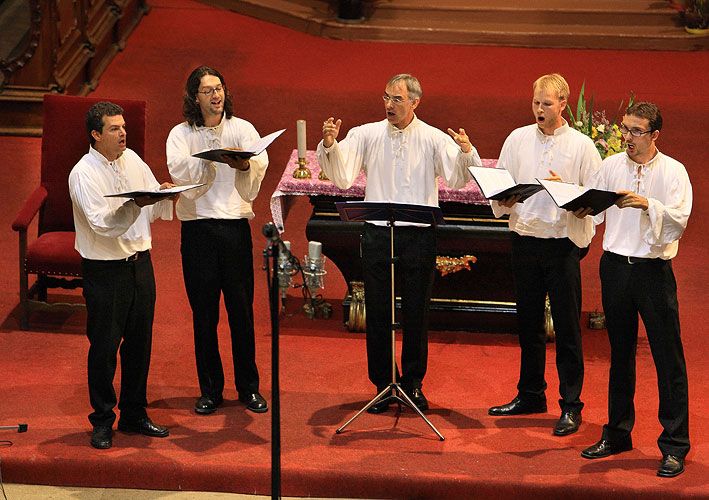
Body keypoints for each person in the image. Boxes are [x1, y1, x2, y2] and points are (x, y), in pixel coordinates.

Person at [317, 73, 481, 413]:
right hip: (378, 232)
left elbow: (456, 176)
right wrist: (331, 145)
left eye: (397, 99)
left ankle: (413, 383)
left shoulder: (433, 138)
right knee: (378, 310)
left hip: (419, 233)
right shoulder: (366, 133)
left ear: (414, 103)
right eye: (387, 98)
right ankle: (382, 383)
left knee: (417, 310)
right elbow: (343, 173)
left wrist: (466, 151)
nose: (389, 105)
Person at [580, 102, 692, 478]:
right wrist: (577, 204)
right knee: (620, 355)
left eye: (636, 131)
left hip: (653, 272)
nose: (626, 137)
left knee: (667, 359)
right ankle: (616, 433)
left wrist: (647, 205)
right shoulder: (611, 165)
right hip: (614, 269)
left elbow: (679, 220)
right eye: (625, 129)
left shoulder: (674, 171)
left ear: (655, 135)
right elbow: (593, 209)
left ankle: (674, 445)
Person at [487, 73, 600, 436]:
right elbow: (499, 184)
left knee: (567, 328)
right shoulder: (517, 139)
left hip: (562, 245)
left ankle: (571, 405)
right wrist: (502, 198)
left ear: (563, 104)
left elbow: (596, 198)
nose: (539, 109)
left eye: (546, 103)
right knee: (529, 325)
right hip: (525, 238)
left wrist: (580, 204)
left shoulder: (582, 146)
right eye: (535, 102)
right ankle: (531, 394)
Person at [69, 101, 175, 449]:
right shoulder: (83, 173)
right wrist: (136, 204)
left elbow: (152, 209)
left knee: (139, 345)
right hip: (105, 271)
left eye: (124, 126)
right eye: (115, 128)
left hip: (140, 265)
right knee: (104, 348)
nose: (123, 133)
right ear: (96, 134)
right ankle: (102, 420)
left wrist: (162, 195)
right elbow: (102, 224)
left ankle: (133, 413)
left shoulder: (132, 160)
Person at [166, 66, 268, 415]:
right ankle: (210, 390)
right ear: (195, 97)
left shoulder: (243, 129)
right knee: (204, 315)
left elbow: (259, 163)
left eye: (219, 88)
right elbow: (179, 172)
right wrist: (209, 163)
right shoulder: (180, 134)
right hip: (198, 231)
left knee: (241, 312)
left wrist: (242, 166)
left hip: (235, 229)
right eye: (207, 90)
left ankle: (249, 388)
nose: (216, 95)